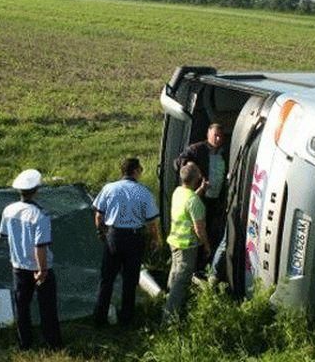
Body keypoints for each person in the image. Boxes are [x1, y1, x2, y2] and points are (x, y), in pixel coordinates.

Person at [92, 157, 161, 327]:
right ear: (136, 171)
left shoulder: (109, 188)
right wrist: (155, 239)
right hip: (134, 237)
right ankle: (126, 319)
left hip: (114, 236)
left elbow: (99, 215)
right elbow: (152, 223)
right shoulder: (143, 192)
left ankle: (99, 318)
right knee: (130, 280)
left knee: (106, 279)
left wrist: (102, 232)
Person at [0, 169, 62, 351]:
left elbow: (4, 234)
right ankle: (53, 344)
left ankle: (25, 343)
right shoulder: (40, 215)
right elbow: (40, 246)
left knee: (22, 306)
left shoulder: (9, 210)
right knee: (47, 307)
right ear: (36, 190)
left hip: (18, 266)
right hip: (39, 268)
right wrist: (42, 270)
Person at [174, 123, 227, 268]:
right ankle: (195, 265)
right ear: (208, 134)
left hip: (216, 200)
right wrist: (190, 164)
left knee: (213, 231)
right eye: (215, 135)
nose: (217, 138)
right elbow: (178, 162)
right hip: (199, 198)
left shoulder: (225, 152)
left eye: (220, 136)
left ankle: (207, 264)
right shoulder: (197, 150)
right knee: (199, 230)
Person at [163, 162, 210, 319]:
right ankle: (169, 319)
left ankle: (166, 301)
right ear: (196, 178)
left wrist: (201, 190)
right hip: (187, 246)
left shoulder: (179, 191)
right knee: (181, 282)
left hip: (174, 241)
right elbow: (199, 229)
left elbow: (190, 200)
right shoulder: (195, 202)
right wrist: (206, 245)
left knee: (175, 275)